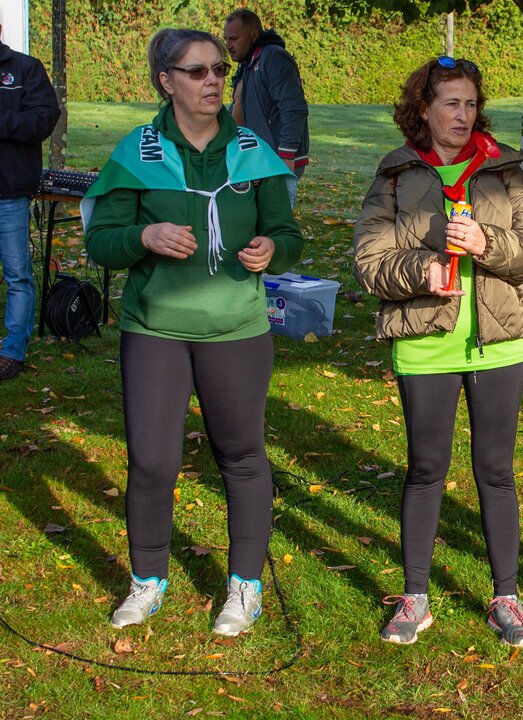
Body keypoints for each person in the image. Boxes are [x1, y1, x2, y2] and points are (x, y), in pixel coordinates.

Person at [84, 28, 303, 636]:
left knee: (241, 454)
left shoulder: (253, 152)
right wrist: (144, 236)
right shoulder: (137, 151)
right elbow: (101, 242)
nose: (213, 81)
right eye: (197, 71)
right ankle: (148, 579)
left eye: (219, 70)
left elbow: (288, 234)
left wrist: (272, 249)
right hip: (155, 328)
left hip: (236, 328)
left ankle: (245, 585)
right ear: (166, 81)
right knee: (152, 461)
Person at [353, 56, 523, 648]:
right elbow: (369, 262)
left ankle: (506, 598)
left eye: (470, 103)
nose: (462, 115)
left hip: (499, 343)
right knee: (426, 469)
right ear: (424, 109)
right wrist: (425, 270)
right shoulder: (396, 174)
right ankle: (415, 597)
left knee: (496, 470)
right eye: (450, 103)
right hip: (425, 343)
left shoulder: (504, 170)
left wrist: (488, 242)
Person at [0, 23, 60, 381]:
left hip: (9, 192)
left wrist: (3, 123)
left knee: (18, 275)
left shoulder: (24, 68)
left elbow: (44, 119)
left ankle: (12, 352)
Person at [223, 9, 308, 207]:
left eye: (234, 39)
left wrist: (286, 155)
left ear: (253, 36)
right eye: (226, 39)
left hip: (278, 160)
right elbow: (238, 109)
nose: (228, 45)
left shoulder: (273, 57)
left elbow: (293, 108)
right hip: (258, 160)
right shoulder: (248, 64)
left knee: (276, 219)